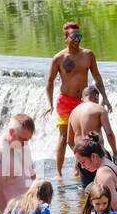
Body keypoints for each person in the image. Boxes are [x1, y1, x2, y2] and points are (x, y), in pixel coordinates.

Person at [47, 21, 111, 178]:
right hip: (65, 101)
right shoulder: (59, 58)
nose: (77, 40)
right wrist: (49, 104)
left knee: (86, 136)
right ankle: (59, 173)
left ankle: (78, 167)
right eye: (74, 36)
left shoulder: (88, 55)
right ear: (65, 38)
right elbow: (49, 82)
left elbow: (97, 77)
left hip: (83, 102)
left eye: (79, 36)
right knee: (63, 138)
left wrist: (105, 97)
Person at [67, 86, 117, 184]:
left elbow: (69, 141)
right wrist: (115, 153)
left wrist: (80, 155)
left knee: (87, 193)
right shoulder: (99, 109)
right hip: (98, 156)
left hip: (82, 160)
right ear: (96, 96)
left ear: (83, 98)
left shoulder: (73, 113)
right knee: (106, 189)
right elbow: (109, 133)